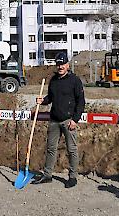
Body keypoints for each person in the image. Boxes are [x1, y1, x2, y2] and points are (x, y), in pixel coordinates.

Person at [33, 51, 85, 188]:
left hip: (68, 120)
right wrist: (42, 100)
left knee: (72, 150)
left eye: (63, 64)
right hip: (54, 120)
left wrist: (75, 119)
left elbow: (81, 102)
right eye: (58, 64)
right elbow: (50, 98)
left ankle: (73, 177)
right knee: (51, 148)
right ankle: (47, 175)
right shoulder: (54, 80)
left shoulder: (75, 81)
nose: (60, 66)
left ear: (67, 64)